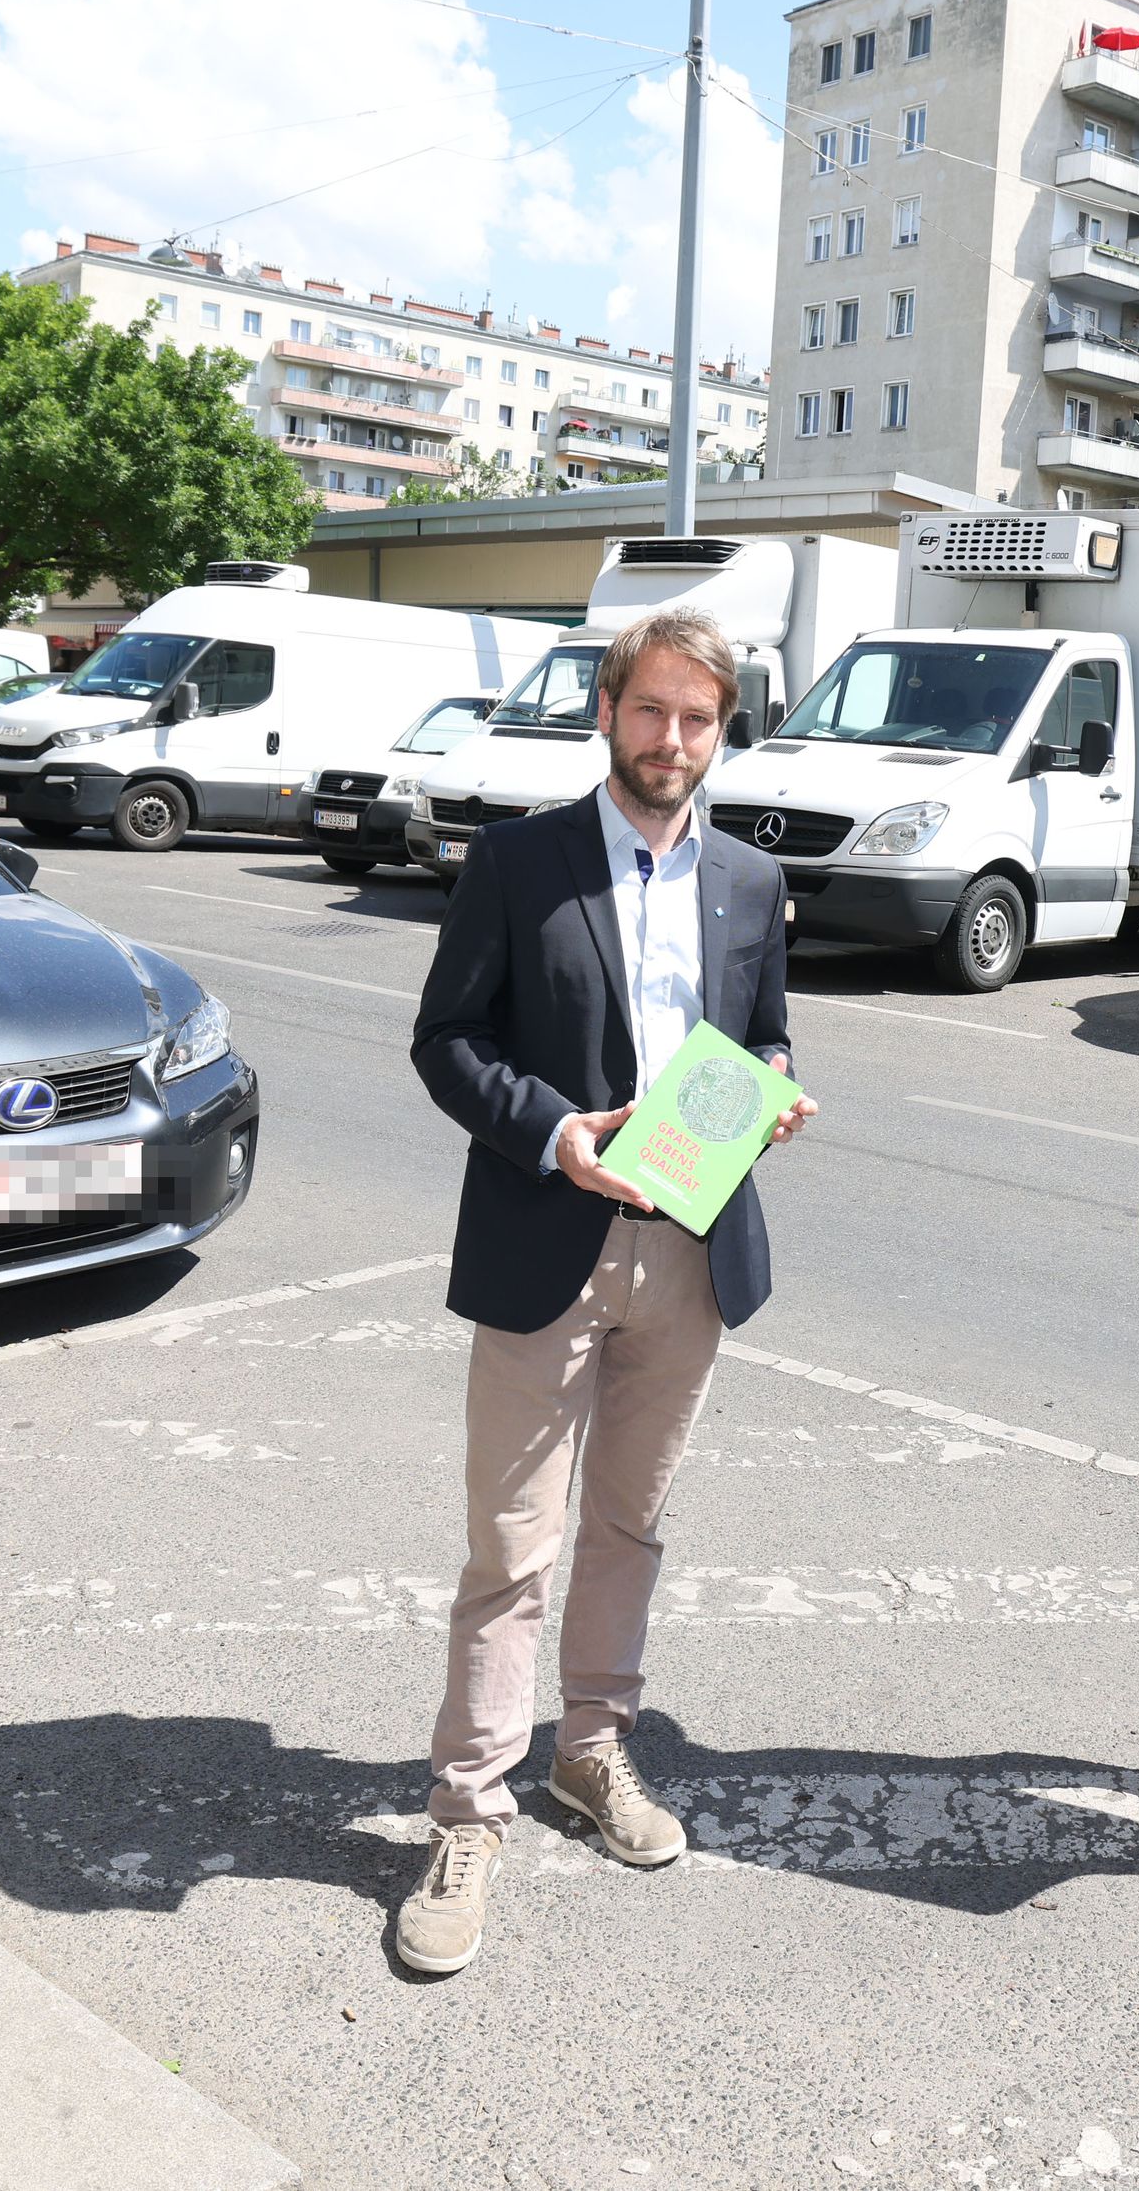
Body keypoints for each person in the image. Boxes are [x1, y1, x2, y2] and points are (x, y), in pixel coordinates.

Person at [396, 605, 815, 1978]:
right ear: (609, 712)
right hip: (544, 1234)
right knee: (510, 1547)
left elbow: (760, 1034)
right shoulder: (519, 861)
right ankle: (467, 1807)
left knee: (631, 1523)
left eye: (698, 717)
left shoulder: (751, 882)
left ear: (720, 729)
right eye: (651, 711)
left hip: (689, 1245)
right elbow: (446, 1037)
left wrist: (772, 1100)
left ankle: (590, 1751)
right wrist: (551, 1129)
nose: (673, 739)